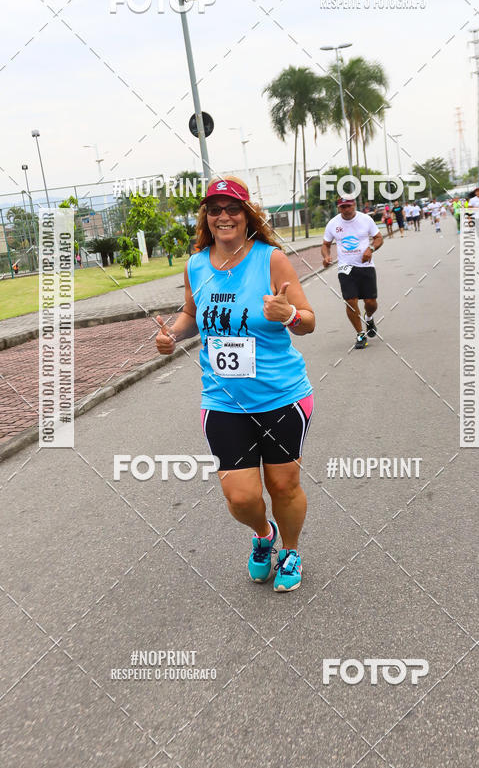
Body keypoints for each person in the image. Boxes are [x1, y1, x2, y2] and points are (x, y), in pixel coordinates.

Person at [155, 176, 315, 593]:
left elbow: (308, 321)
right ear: (206, 218)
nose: (223, 216)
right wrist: (173, 335)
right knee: (241, 497)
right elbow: (192, 315)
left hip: (282, 397)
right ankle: (264, 535)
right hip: (223, 401)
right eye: (215, 209)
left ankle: (291, 551)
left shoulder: (271, 260)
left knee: (283, 485)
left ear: (247, 215)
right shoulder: (196, 265)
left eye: (232, 208)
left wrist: (288, 315)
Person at [321, 196, 383, 349]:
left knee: (371, 302)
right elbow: (325, 244)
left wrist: (371, 249)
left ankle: (369, 317)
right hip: (345, 267)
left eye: (349, 206)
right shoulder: (333, 223)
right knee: (350, 301)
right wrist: (326, 256)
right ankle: (360, 334)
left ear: (354, 204)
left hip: (366, 266)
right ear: (338, 208)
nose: (346, 209)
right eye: (343, 207)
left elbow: (378, 238)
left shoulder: (365, 219)